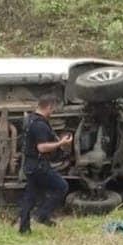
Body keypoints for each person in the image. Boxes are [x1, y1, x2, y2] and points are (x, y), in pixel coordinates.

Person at [19, 94, 72, 234]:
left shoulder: (30, 119)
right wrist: (61, 143)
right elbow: (41, 147)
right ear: (48, 107)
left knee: (30, 196)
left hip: (30, 165)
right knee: (62, 186)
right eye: (52, 109)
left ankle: (24, 228)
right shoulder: (40, 125)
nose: (53, 112)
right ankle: (42, 215)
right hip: (38, 166)